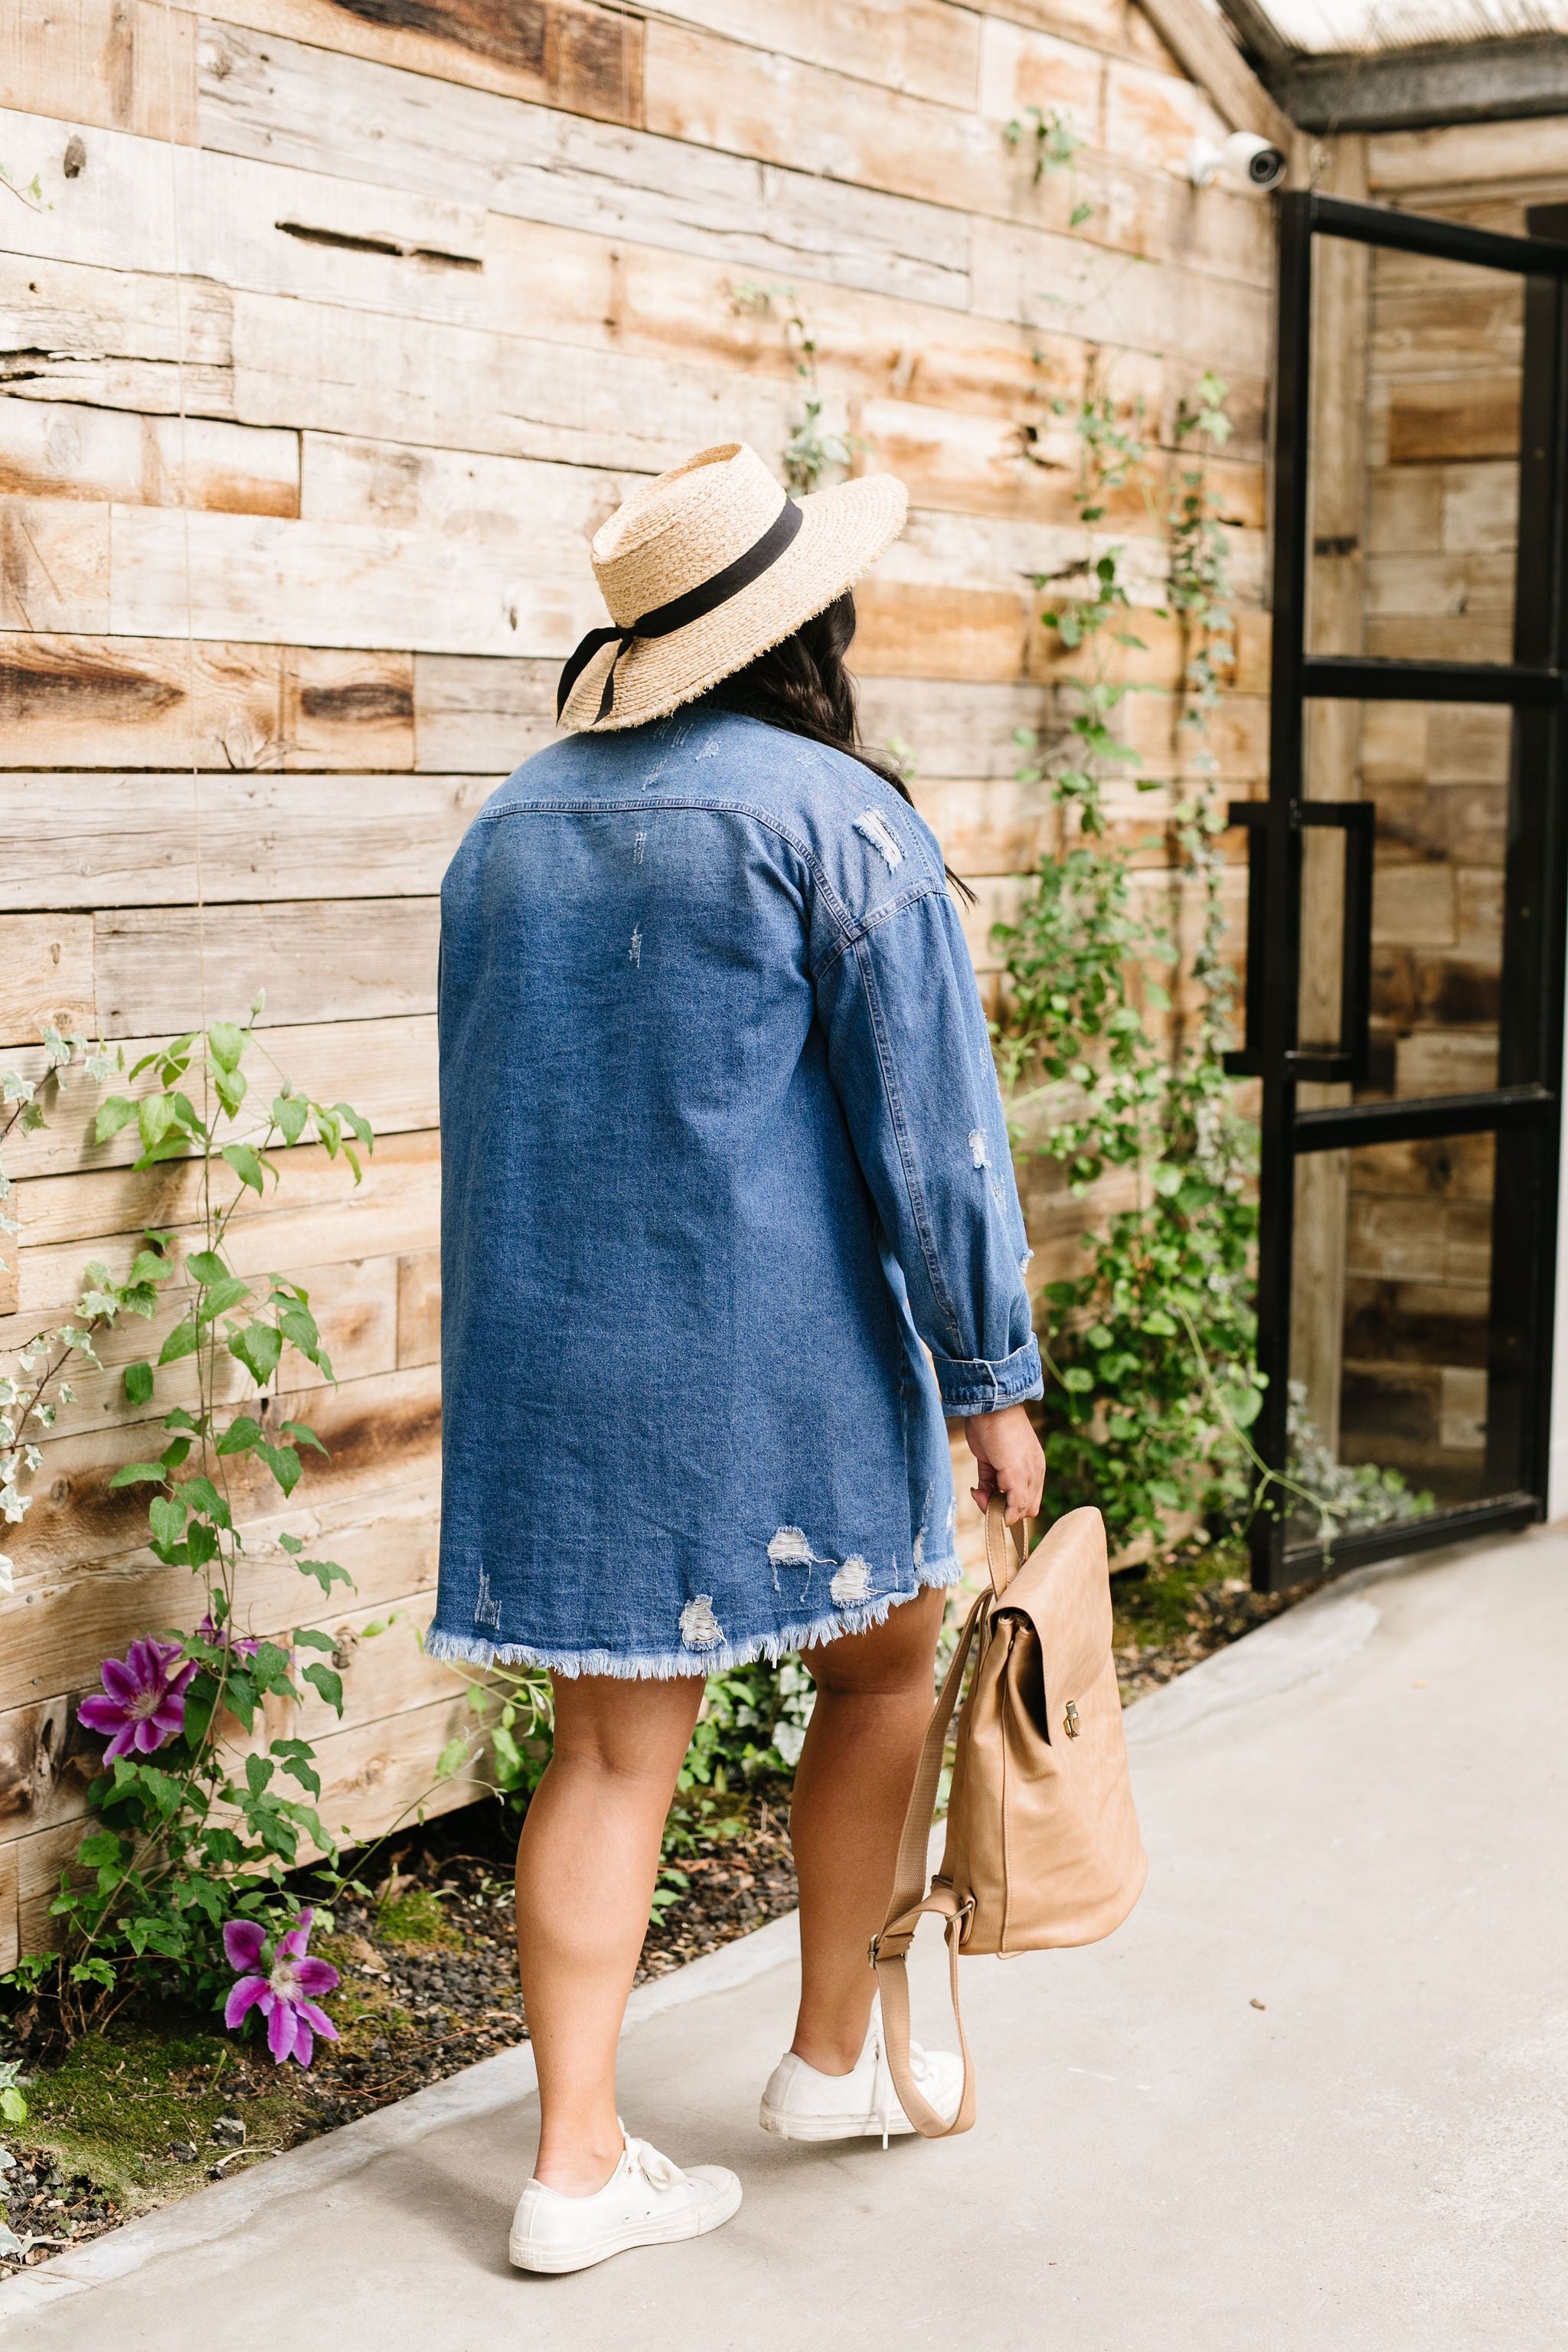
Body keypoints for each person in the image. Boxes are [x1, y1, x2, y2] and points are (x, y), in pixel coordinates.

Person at [427, 443, 1046, 2275]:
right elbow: (938, 1138)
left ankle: (574, 2162)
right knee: (877, 1676)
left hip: (561, 1371)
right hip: (787, 1364)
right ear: (814, 628)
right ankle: (831, 2062)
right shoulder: (839, 820)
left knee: (606, 1762)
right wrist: (989, 1381)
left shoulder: (508, 828)